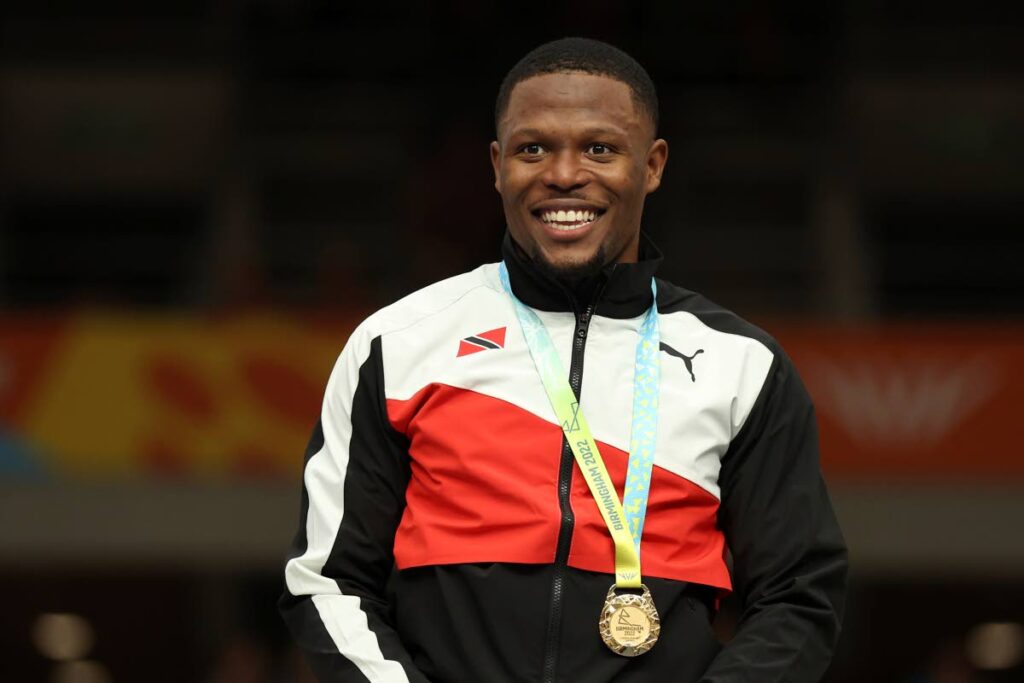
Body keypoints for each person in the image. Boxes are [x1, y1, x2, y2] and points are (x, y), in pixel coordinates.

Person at [279, 37, 847, 682]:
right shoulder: (399, 343)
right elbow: (327, 581)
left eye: (600, 148)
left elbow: (798, 598)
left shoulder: (740, 364)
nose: (564, 174)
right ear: (496, 166)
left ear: (654, 165)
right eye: (533, 149)